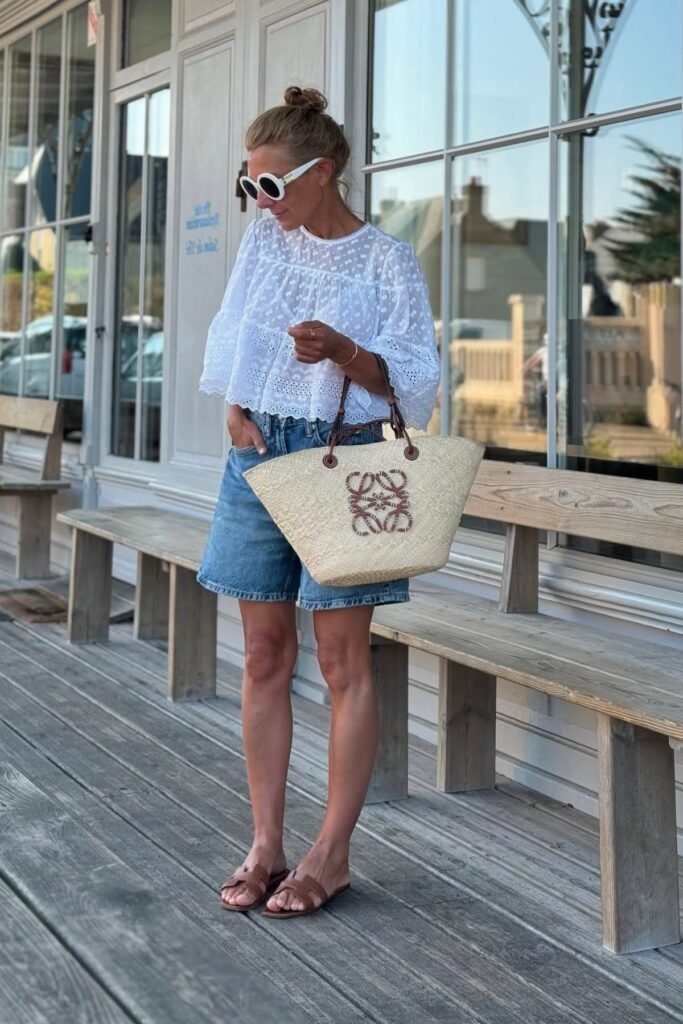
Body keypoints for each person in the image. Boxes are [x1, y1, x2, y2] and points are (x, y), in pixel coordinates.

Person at [197, 86, 440, 919]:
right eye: (249, 186)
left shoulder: (386, 261)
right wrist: (234, 405)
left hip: (345, 464)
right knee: (264, 655)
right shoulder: (266, 244)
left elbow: (414, 381)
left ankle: (329, 854)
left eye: (271, 186)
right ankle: (265, 844)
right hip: (259, 454)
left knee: (342, 663)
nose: (259, 202)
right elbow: (233, 332)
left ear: (321, 172)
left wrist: (345, 352)